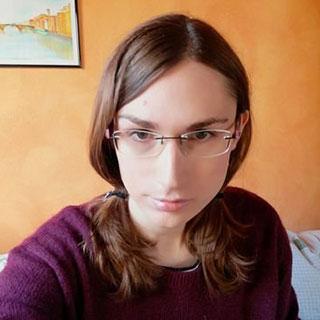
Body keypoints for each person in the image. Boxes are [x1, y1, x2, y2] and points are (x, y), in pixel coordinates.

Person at [0, 13, 299, 319]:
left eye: (202, 134)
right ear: (110, 134)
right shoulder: (53, 267)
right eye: (141, 134)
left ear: (237, 130)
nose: (170, 178)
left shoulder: (259, 229)